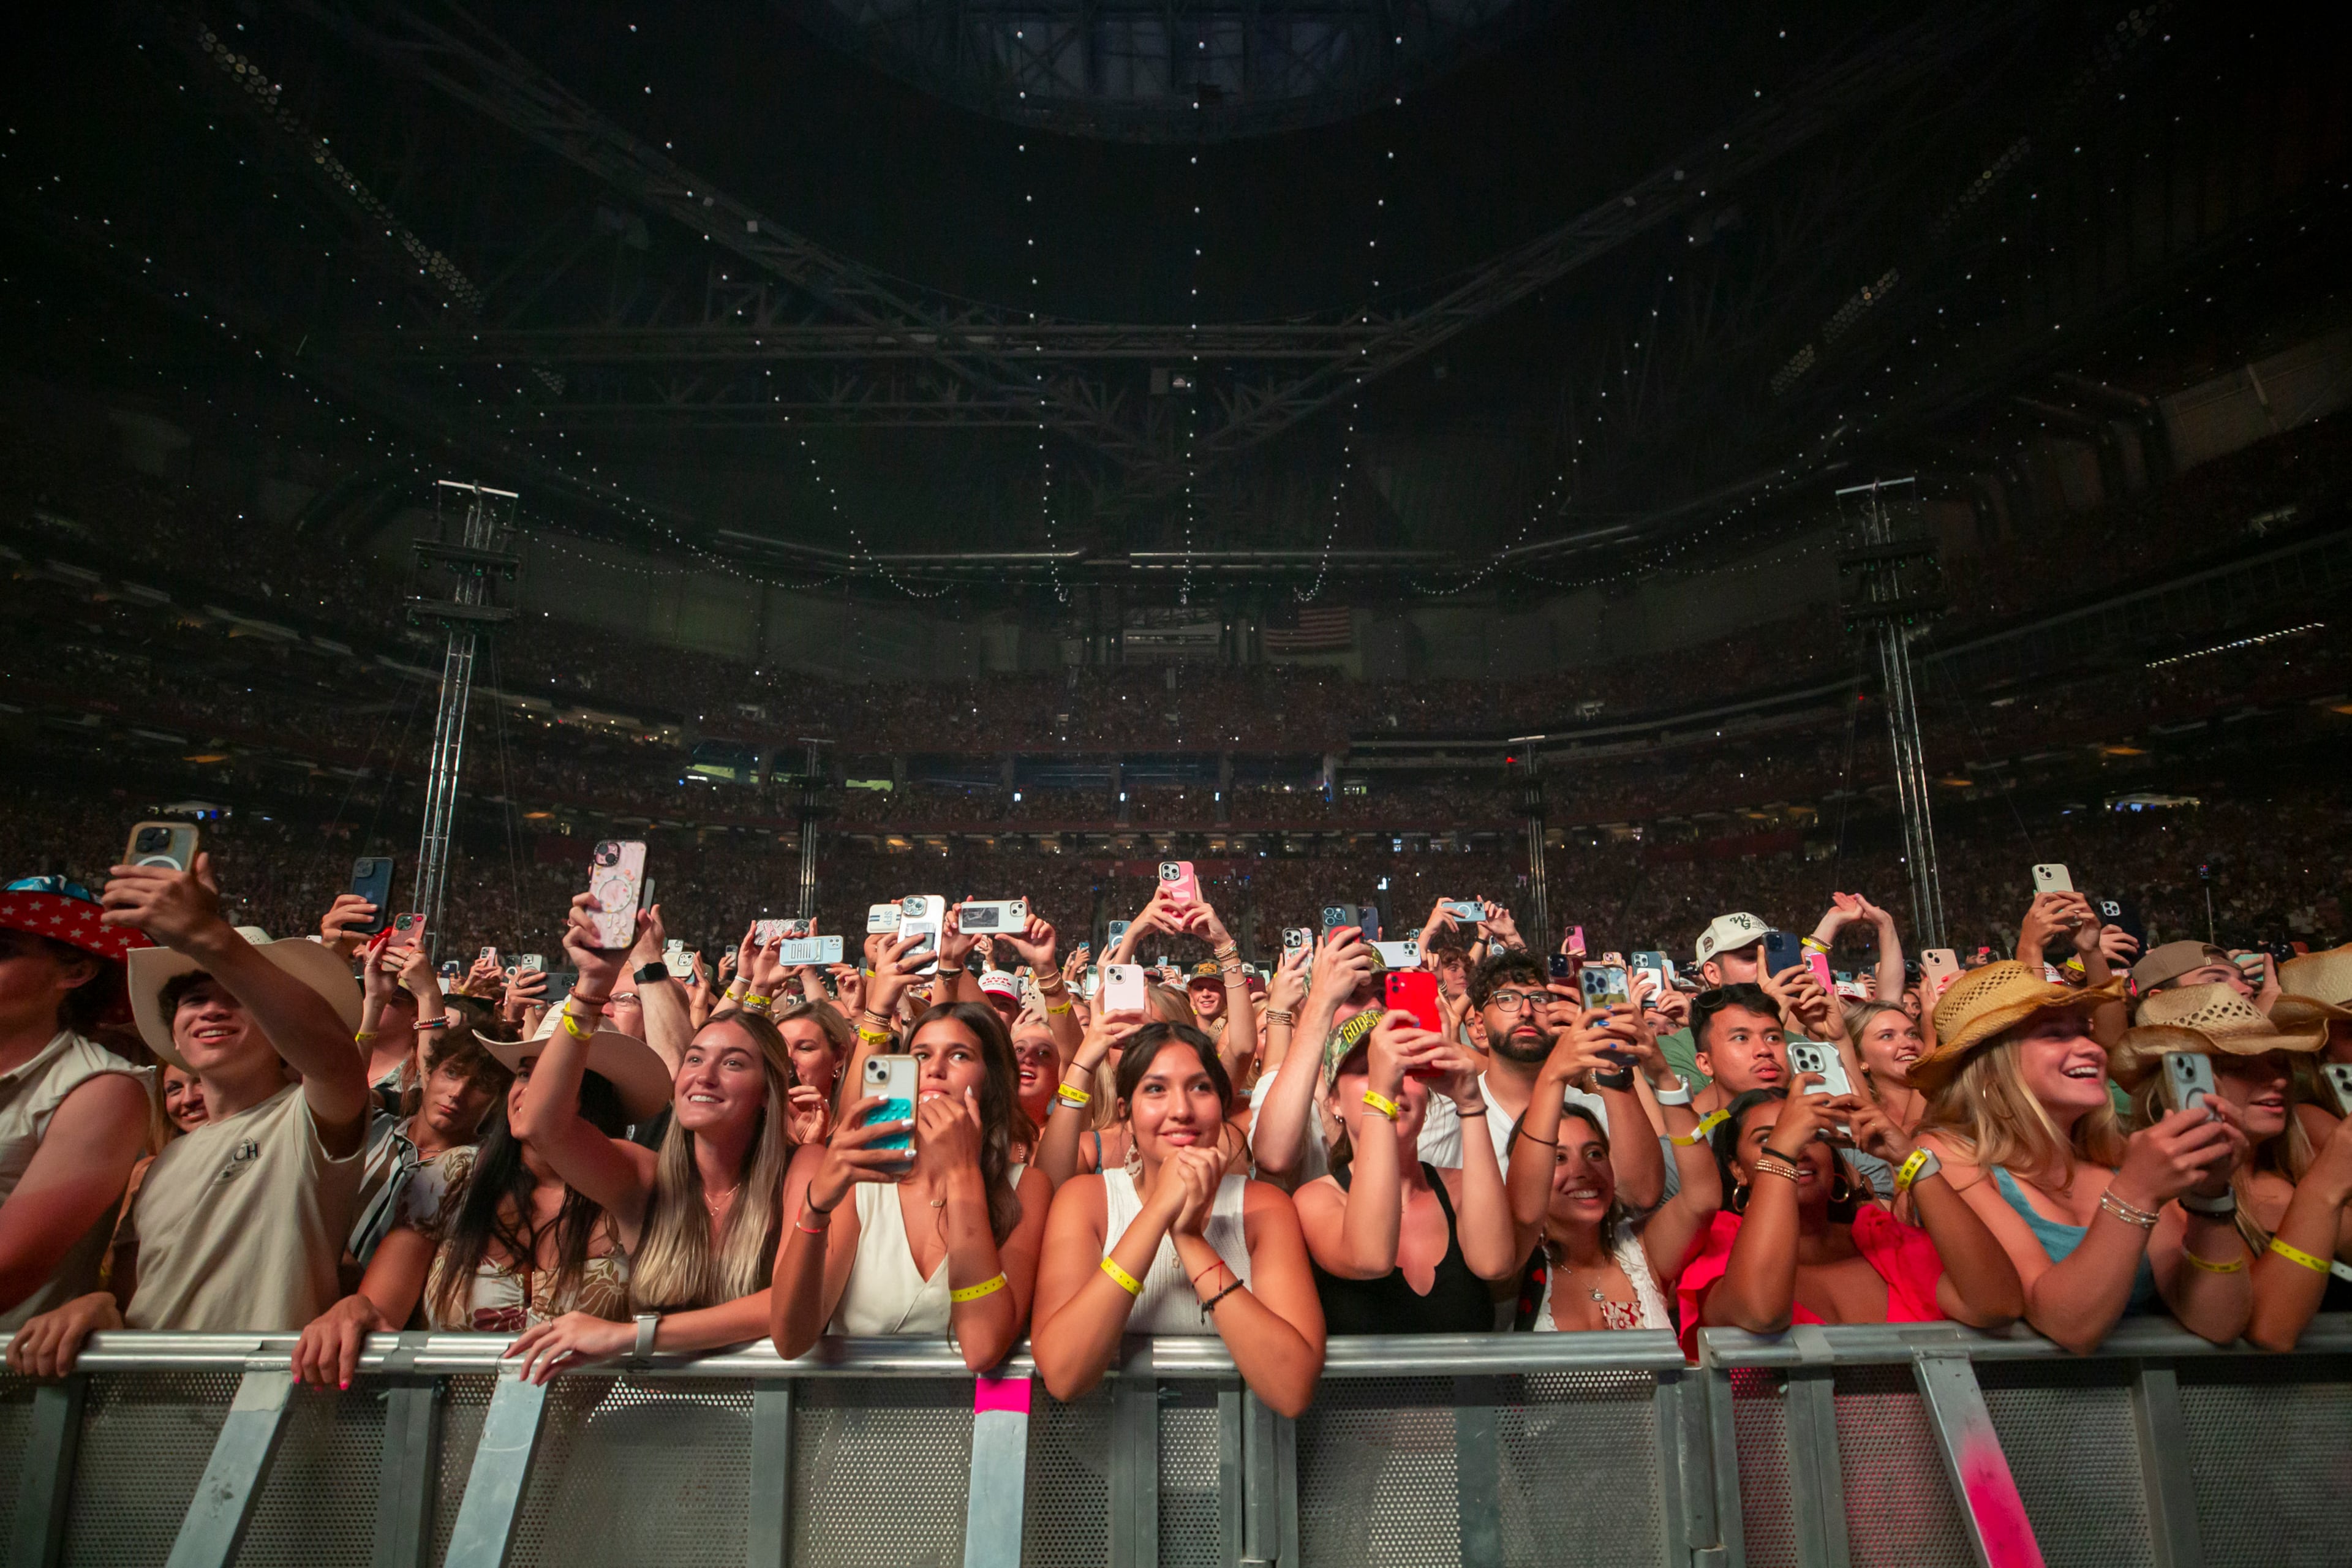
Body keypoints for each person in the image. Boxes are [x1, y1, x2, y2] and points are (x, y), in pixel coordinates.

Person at [8, 860, 369, 1376]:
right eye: (195, 1000)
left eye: (239, 999)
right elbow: (136, 1296)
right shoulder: (159, 1165)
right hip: (145, 1418)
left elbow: (333, 1058)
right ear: (174, 1036)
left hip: (257, 1417)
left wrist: (207, 937)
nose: (212, 1011)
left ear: (277, 1025)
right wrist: (100, 1308)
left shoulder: (305, 1121)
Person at [500, 894, 809, 1381]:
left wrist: (631, 1336)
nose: (702, 1076)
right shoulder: (645, 1177)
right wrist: (593, 986)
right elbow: (541, 1125)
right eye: (694, 1058)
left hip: (771, 1416)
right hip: (650, 1419)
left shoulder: (803, 1170)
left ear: (768, 1093)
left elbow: (790, 1307)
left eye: (732, 1063)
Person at [290, 1018, 671, 1387]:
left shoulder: (638, 1188)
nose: (532, 1091)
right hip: (446, 1437)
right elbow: (378, 1309)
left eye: (557, 1076)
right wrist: (351, 1310)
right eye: (524, 1074)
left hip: (594, 1442)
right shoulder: (451, 1176)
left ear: (596, 1097)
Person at [1913, 960, 2253, 1353]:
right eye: (2055, 1035)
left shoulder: (2120, 1155)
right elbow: (2067, 1325)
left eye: (2085, 1032)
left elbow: (2219, 1321)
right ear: (1991, 1070)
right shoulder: (1948, 1157)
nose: (2091, 1049)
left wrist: (2210, 1196)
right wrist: (2135, 1193)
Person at [1031, 1023, 1325, 1416]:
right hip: (1100, 1469)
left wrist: (1189, 1239)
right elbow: (1065, 1375)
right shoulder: (1086, 1201)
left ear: (1222, 1106)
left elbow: (1291, 1390)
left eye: (1201, 1088)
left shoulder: (1264, 1209)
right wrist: (1156, 1214)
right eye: (1155, 1089)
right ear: (1127, 1114)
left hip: (1246, 1467)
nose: (1182, 1110)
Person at [769, 1000, 1047, 1373]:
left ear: (991, 1079)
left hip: (975, 1426)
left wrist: (963, 1174)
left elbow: (982, 1348)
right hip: (848, 1420)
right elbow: (790, 1340)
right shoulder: (860, 1180)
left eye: (960, 1056)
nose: (934, 1069)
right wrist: (815, 1209)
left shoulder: (1027, 1187)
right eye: (920, 1055)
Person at [1683, 1083, 2023, 1355]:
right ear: (1737, 1169)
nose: (1799, 1148)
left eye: (1813, 1135)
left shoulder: (1883, 1239)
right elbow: (1761, 1312)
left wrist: (1911, 1161)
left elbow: (1997, 1304)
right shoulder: (1719, 1250)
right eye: (1767, 1139)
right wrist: (1781, 1155)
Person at [2105, 985, 2351, 1350]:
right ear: (2182, 1081)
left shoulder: (2293, 1172)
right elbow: (2269, 1328)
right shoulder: (2168, 1198)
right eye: (2240, 1065)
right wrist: (2326, 1188)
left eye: (2279, 1061)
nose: (2278, 1080)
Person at [1295, 1011, 1517, 1334]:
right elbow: (1369, 1257)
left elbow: (1494, 1263)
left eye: (1408, 1069)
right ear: (1334, 1103)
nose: (1394, 1079)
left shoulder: (1458, 1186)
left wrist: (1470, 1104)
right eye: (1366, 1070)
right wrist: (1381, 1095)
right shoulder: (1316, 1200)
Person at [0, 879, 153, 1332]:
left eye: (4, 950)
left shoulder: (99, 1089)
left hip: (17, 1389)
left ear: (76, 972)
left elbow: (9, 1271)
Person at [1509, 1005, 1719, 1332]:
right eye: (1558, 1158)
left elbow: (1703, 1198)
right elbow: (1522, 1208)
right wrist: (1553, 1075)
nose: (1583, 1171)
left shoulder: (1642, 1252)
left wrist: (1663, 1075)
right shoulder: (1513, 1263)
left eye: (1595, 1154)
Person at [1843, 999, 1928, 1134]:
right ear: (1859, 1059)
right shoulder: (1856, 1120)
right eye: (1887, 1036)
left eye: (1913, 1034)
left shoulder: (1954, 1103)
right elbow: (1909, 1144)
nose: (1908, 1044)